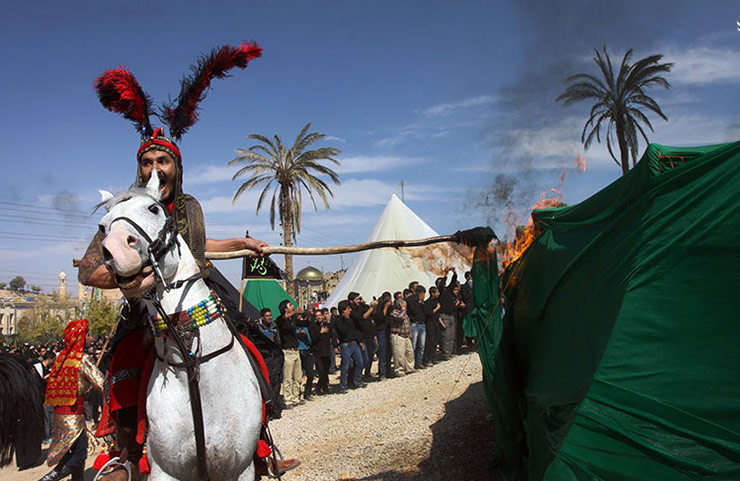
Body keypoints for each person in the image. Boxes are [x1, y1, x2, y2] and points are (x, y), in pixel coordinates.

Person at [79, 44, 299, 479]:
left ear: (175, 167)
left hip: (201, 286)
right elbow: (89, 269)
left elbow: (198, 247)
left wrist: (242, 242)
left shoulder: (191, 205)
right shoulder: (125, 211)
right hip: (147, 300)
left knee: (260, 340)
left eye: (162, 161)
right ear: (139, 167)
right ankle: (126, 451)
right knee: (122, 360)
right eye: (147, 162)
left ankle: (260, 442)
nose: (154, 168)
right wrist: (125, 278)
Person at [39, 320, 104, 481]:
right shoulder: (82, 360)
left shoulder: (61, 357)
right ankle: (49, 478)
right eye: (88, 335)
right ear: (80, 338)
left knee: (73, 453)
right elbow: (102, 384)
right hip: (73, 416)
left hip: (60, 416)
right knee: (81, 452)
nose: (91, 338)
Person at [276, 300, 302, 408]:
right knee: (287, 378)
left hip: (296, 350)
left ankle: (296, 397)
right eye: (290, 305)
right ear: (286, 309)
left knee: (298, 377)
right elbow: (282, 319)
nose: (292, 306)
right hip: (287, 351)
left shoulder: (292, 319)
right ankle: (288, 400)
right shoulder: (281, 320)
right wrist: (294, 312)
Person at [334, 300, 365, 391]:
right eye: (348, 309)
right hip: (345, 345)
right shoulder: (338, 321)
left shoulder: (351, 319)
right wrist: (347, 320)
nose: (350, 310)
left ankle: (357, 381)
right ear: (343, 311)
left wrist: (360, 342)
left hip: (354, 343)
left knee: (360, 363)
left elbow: (354, 331)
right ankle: (343, 385)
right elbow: (343, 332)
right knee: (345, 366)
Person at [388, 298, 415, 376]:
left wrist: (409, 332)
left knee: (409, 353)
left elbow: (407, 322)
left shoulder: (404, 313)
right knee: (399, 354)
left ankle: (409, 368)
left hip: (406, 335)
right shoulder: (394, 312)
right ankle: (399, 370)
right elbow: (399, 318)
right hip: (398, 335)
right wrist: (403, 309)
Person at [436, 267, 458, 360]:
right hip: (444, 315)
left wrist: (454, 273)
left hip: (451, 315)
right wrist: (445, 274)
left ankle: (449, 352)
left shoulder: (448, 291)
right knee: (446, 335)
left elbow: (453, 283)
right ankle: (445, 354)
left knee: (451, 335)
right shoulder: (440, 292)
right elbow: (440, 286)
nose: (444, 284)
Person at [407, 285, 427, 370]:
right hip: (414, 324)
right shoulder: (411, 300)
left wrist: (422, 303)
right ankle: (411, 364)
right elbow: (414, 312)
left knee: (421, 345)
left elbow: (426, 312)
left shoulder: (422, 302)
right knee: (413, 346)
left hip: (422, 324)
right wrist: (418, 302)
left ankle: (419, 363)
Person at [423, 286, 442, 367]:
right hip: (430, 323)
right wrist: (436, 308)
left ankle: (434, 358)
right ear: (432, 293)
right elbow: (428, 313)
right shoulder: (428, 302)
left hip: (436, 322)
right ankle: (428, 359)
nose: (438, 294)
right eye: (437, 292)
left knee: (435, 341)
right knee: (430, 341)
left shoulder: (436, 301)